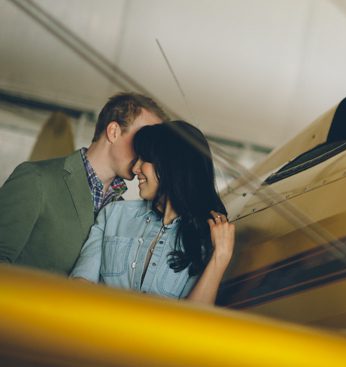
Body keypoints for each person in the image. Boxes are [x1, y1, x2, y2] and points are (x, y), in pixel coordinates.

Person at [0, 92, 167, 274]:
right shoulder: (36, 179)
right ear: (113, 132)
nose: (149, 150)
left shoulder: (122, 209)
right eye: (143, 138)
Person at [71, 121, 235, 304]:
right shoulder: (113, 215)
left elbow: (193, 321)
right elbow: (80, 283)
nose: (135, 169)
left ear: (170, 165)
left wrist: (220, 258)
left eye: (144, 159)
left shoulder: (205, 237)